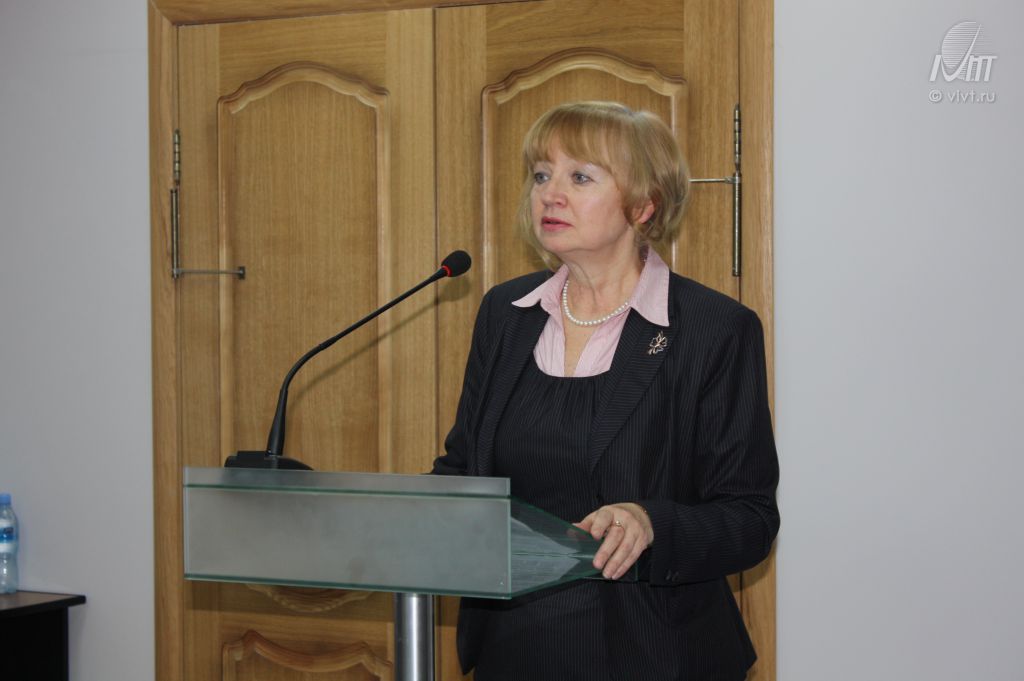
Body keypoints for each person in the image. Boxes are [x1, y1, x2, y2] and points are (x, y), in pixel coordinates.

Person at [431, 101, 780, 681]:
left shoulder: (714, 329)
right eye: (541, 175)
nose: (550, 194)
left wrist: (652, 521)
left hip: (656, 651)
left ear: (643, 205)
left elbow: (749, 518)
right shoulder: (506, 314)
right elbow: (464, 468)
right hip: (515, 648)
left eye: (580, 177)